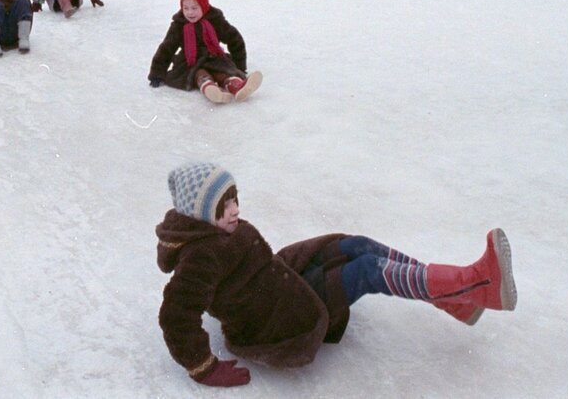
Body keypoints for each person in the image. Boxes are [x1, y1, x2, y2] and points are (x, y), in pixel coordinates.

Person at [156, 163, 517, 387]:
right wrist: (203, 367)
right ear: (202, 214)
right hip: (275, 319)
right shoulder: (201, 257)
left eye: (234, 199)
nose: (235, 210)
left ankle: (454, 301)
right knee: (365, 271)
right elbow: (176, 315)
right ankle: (476, 285)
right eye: (224, 206)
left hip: (278, 280)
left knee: (356, 245)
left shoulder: (220, 230)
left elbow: (257, 262)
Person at [148, 0, 261, 104]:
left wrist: (240, 65)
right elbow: (167, 48)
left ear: (204, 6)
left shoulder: (215, 21)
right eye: (185, 8)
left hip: (214, 58)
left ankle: (236, 85)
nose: (190, 12)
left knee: (222, 71)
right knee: (199, 73)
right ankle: (210, 88)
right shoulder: (179, 25)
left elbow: (234, 39)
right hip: (189, 62)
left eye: (194, 8)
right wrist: (157, 73)